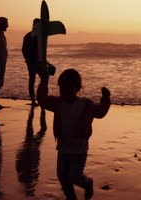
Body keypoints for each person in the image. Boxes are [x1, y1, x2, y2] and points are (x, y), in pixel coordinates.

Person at [37, 69, 111, 200]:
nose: (64, 91)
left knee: (74, 176)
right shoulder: (58, 103)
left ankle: (87, 183)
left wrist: (105, 99)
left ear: (77, 88)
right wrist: (44, 81)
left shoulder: (86, 105)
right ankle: (71, 197)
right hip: (63, 148)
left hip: (79, 149)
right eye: (61, 88)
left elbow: (100, 113)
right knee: (62, 176)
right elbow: (42, 100)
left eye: (67, 88)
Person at [22, 18, 40, 105]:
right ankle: (33, 99)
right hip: (32, 62)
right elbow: (24, 50)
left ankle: (41, 98)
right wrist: (27, 59)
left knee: (44, 78)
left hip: (39, 61)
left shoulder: (41, 36)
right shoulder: (28, 36)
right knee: (32, 79)